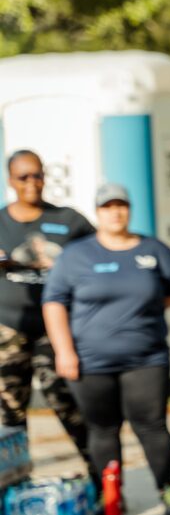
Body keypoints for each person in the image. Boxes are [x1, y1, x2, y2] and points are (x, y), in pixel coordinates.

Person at [42, 183, 170, 515]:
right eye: (107, 207)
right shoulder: (76, 255)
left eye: (121, 205)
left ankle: (169, 488)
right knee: (103, 429)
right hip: (90, 361)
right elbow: (53, 303)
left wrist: (140, 315)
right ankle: (111, 497)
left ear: (129, 209)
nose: (115, 212)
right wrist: (64, 351)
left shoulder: (154, 251)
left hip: (147, 359)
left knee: (152, 426)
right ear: (97, 213)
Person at [0, 150, 94, 479]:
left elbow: (98, 259)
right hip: (8, 330)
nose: (32, 183)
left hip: (55, 330)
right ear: (10, 180)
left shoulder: (70, 220)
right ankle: (13, 488)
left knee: (66, 403)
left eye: (38, 175)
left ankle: (102, 484)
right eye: (23, 177)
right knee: (9, 415)